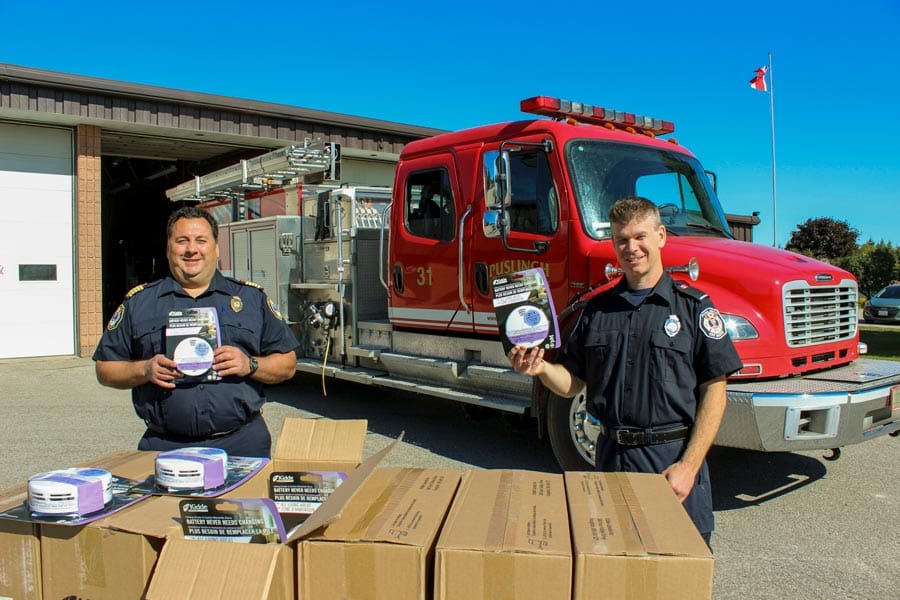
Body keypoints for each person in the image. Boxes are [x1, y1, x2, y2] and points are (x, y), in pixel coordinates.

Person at [508, 196, 742, 544]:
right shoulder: (596, 311)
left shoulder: (693, 307)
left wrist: (688, 467)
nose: (631, 248)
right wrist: (541, 368)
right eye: (621, 239)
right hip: (611, 461)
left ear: (661, 236)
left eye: (640, 236)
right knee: (613, 573)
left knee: (678, 579)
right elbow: (572, 384)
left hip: (671, 464)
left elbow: (715, 389)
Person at [93, 206, 299, 457]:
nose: (192, 249)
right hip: (166, 446)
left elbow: (287, 364)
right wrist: (144, 370)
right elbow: (105, 369)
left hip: (242, 445)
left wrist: (250, 365)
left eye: (201, 240)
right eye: (182, 241)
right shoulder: (139, 303)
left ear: (216, 248)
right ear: (169, 249)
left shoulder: (251, 299)